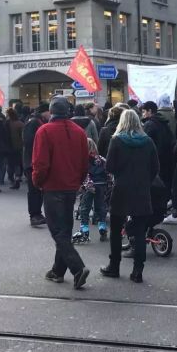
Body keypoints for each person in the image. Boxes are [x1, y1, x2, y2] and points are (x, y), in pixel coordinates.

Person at [33, 97, 91, 290]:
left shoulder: (45, 131)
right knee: (64, 229)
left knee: (58, 231)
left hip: (53, 186)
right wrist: (78, 180)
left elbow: (41, 163)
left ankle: (77, 267)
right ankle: (58, 271)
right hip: (70, 186)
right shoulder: (79, 132)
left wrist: (37, 181)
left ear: (51, 111)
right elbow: (84, 163)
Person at [102, 110, 160, 283]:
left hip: (121, 189)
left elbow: (110, 166)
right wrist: (145, 181)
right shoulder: (148, 141)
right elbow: (155, 167)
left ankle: (114, 266)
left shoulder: (117, 140)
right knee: (140, 232)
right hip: (141, 190)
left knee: (115, 229)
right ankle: (137, 270)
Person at [75, 138, 109, 242]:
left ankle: (84, 229)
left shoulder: (83, 159)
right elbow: (108, 171)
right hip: (101, 185)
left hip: (89, 186)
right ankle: (102, 227)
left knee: (85, 208)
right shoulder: (101, 159)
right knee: (100, 207)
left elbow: (82, 173)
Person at [23, 102, 50, 226]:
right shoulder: (34, 122)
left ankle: (38, 213)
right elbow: (28, 142)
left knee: (38, 190)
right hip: (31, 161)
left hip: (35, 160)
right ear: (45, 112)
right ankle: (34, 214)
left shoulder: (38, 121)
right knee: (34, 190)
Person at [141, 101, 175, 191]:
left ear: (150, 111)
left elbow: (145, 143)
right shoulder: (163, 122)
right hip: (166, 159)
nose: (143, 115)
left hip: (155, 160)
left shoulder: (149, 124)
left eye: (144, 112)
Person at [6, 107, 24, 190]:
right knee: (17, 164)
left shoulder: (6, 124)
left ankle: (11, 179)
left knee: (10, 165)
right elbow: (23, 136)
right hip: (18, 147)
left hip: (9, 147)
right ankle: (17, 177)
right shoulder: (20, 124)